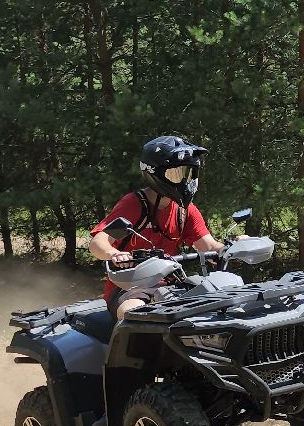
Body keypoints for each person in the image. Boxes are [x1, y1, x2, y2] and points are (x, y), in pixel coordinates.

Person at [88, 135, 231, 318]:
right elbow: (97, 243)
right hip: (130, 287)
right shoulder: (134, 204)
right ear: (155, 173)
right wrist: (114, 254)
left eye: (189, 173)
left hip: (172, 284)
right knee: (136, 315)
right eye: (177, 174)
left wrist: (231, 247)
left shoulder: (184, 210)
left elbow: (208, 246)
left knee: (215, 309)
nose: (185, 180)